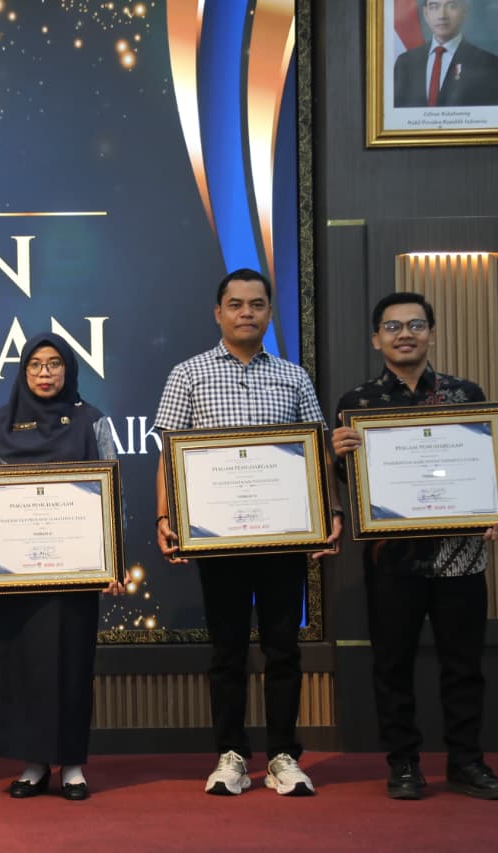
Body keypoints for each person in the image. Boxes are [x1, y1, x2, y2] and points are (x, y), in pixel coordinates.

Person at [152, 268, 342, 797]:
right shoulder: (188, 374)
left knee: (284, 649)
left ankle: (283, 755)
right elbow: (169, 455)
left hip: (283, 537)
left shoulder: (293, 377)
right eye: (235, 304)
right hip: (218, 539)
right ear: (218, 313)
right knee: (227, 651)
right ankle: (231, 754)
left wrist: (332, 510)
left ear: (269, 313)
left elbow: (318, 452)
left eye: (256, 304)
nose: (246, 313)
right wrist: (164, 518)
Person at [331, 292, 498, 801]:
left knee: (464, 666)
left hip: (461, 557)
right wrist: (336, 457)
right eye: (393, 326)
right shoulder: (358, 403)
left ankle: (467, 762)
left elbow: (484, 469)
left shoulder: (466, 394)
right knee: (392, 665)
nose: (405, 334)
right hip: (391, 559)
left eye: (416, 325)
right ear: (376, 339)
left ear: (432, 334)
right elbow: (352, 485)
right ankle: (403, 764)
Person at [0, 334, 124, 800]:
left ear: (69, 369)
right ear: (23, 370)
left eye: (54, 364)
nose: (45, 373)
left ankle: (72, 765)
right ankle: (32, 763)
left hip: (75, 571)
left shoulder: (91, 420)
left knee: (71, 664)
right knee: (23, 665)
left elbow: (110, 490)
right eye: (35, 364)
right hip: (17, 572)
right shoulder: (0, 422)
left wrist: (113, 560)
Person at [393, 0, 498, 108]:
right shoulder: (404, 62)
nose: (442, 16)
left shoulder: (487, 63)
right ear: (426, 14)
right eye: (434, 7)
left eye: (451, 6)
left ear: (464, 11)